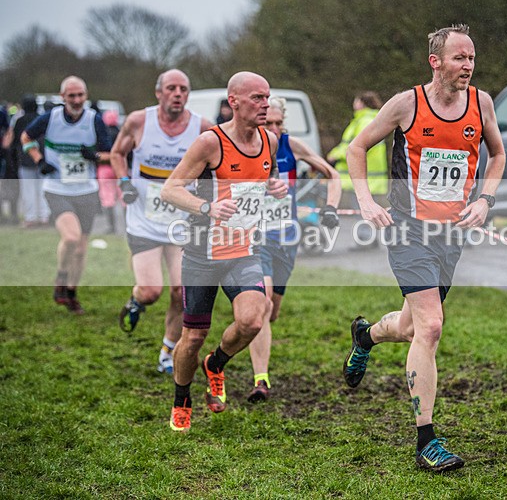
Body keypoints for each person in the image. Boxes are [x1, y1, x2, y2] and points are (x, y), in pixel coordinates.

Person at [341, 24, 505, 472]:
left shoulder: (481, 104)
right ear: (436, 61)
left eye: (471, 58)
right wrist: (366, 202)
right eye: (459, 58)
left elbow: (499, 155)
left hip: (451, 235)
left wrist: (485, 201)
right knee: (431, 326)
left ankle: (366, 335)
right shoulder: (406, 104)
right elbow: (357, 148)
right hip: (407, 230)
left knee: (413, 327)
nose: (467, 66)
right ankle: (426, 440)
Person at [161, 71, 287, 432]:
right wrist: (206, 208)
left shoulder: (271, 141)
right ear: (234, 101)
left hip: (244, 251)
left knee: (252, 319)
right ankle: (181, 397)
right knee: (193, 337)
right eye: (257, 98)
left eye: (267, 97)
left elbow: (265, 177)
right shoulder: (210, 142)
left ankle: (215, 364)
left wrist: (274, 186)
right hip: (202, 255)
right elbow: (171, 190)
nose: (265, 105)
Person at [110, 69, 213, 374]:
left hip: (181, 223)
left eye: (183, 88)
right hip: (143, 221)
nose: (178, 93)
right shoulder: (139, 121)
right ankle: (136, 300)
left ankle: (167, 352)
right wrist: (125, 182)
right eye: (171, 88)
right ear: (159, 93)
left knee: (181, 291)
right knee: (151, 290)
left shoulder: (202, 128)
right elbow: (117, 153)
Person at [246, 96, 342, 402]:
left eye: (278, 123)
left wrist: (330, 208)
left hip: (286, 239)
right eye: (267, 123)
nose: (273, 129)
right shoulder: (246, 146)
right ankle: (261, 379)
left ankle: (244, 335)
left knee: (271, 312)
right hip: (256, 238)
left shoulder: (292, 146)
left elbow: (333, 174)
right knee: (261, 307)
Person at [21, 76, 111, 314]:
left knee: (81, 249)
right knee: (70, 238)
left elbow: (111, 154)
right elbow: (26, 138)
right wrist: (39, 160)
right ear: (62, 97)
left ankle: (71, 292)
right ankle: (61, 275)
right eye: (72, 96)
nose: (77, 100)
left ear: (86, 95)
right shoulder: (50, 118)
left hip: (86, 191)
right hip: (57, 188)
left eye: (81, 95)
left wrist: (95, 156)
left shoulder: (95, 120)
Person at [327, 91, 387, 208]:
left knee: (363, 212)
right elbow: (346, 144)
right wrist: (334, 153)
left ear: (361, 103)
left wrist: (335, 156)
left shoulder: (365, 121)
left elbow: (356, 147)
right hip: (366, 177)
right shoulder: (366, 120)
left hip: (365, 177)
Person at [5, 95, 49, 227]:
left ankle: (30, 217)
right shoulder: (41, 119)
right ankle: (44, 216)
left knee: (28, 190)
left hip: (24, 160)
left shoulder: (19, 120)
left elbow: (13, 142)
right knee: (42, 189)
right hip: (42, 159)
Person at [98, 110, 122, 234]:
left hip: (105, 168)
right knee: (123, 197)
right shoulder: (121, 134)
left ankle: (111, 227)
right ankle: (128, 226)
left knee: (107, 197)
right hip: (119, 169)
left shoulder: (103, 134)